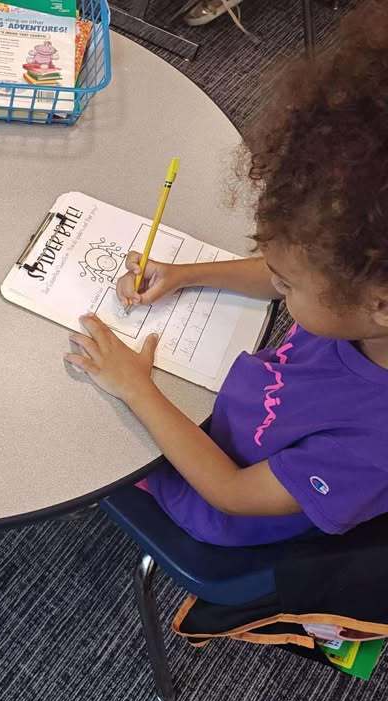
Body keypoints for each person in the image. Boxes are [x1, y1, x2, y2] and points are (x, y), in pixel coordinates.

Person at [64, 0, 388, 546]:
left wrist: (137, 389)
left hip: (215, 491)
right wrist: (187, 274)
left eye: (287, 285)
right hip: (232, 404)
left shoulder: (373, 443)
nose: (276, 283)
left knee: (77, 421)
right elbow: (284, 272)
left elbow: (232, 492)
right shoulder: (357, 291)